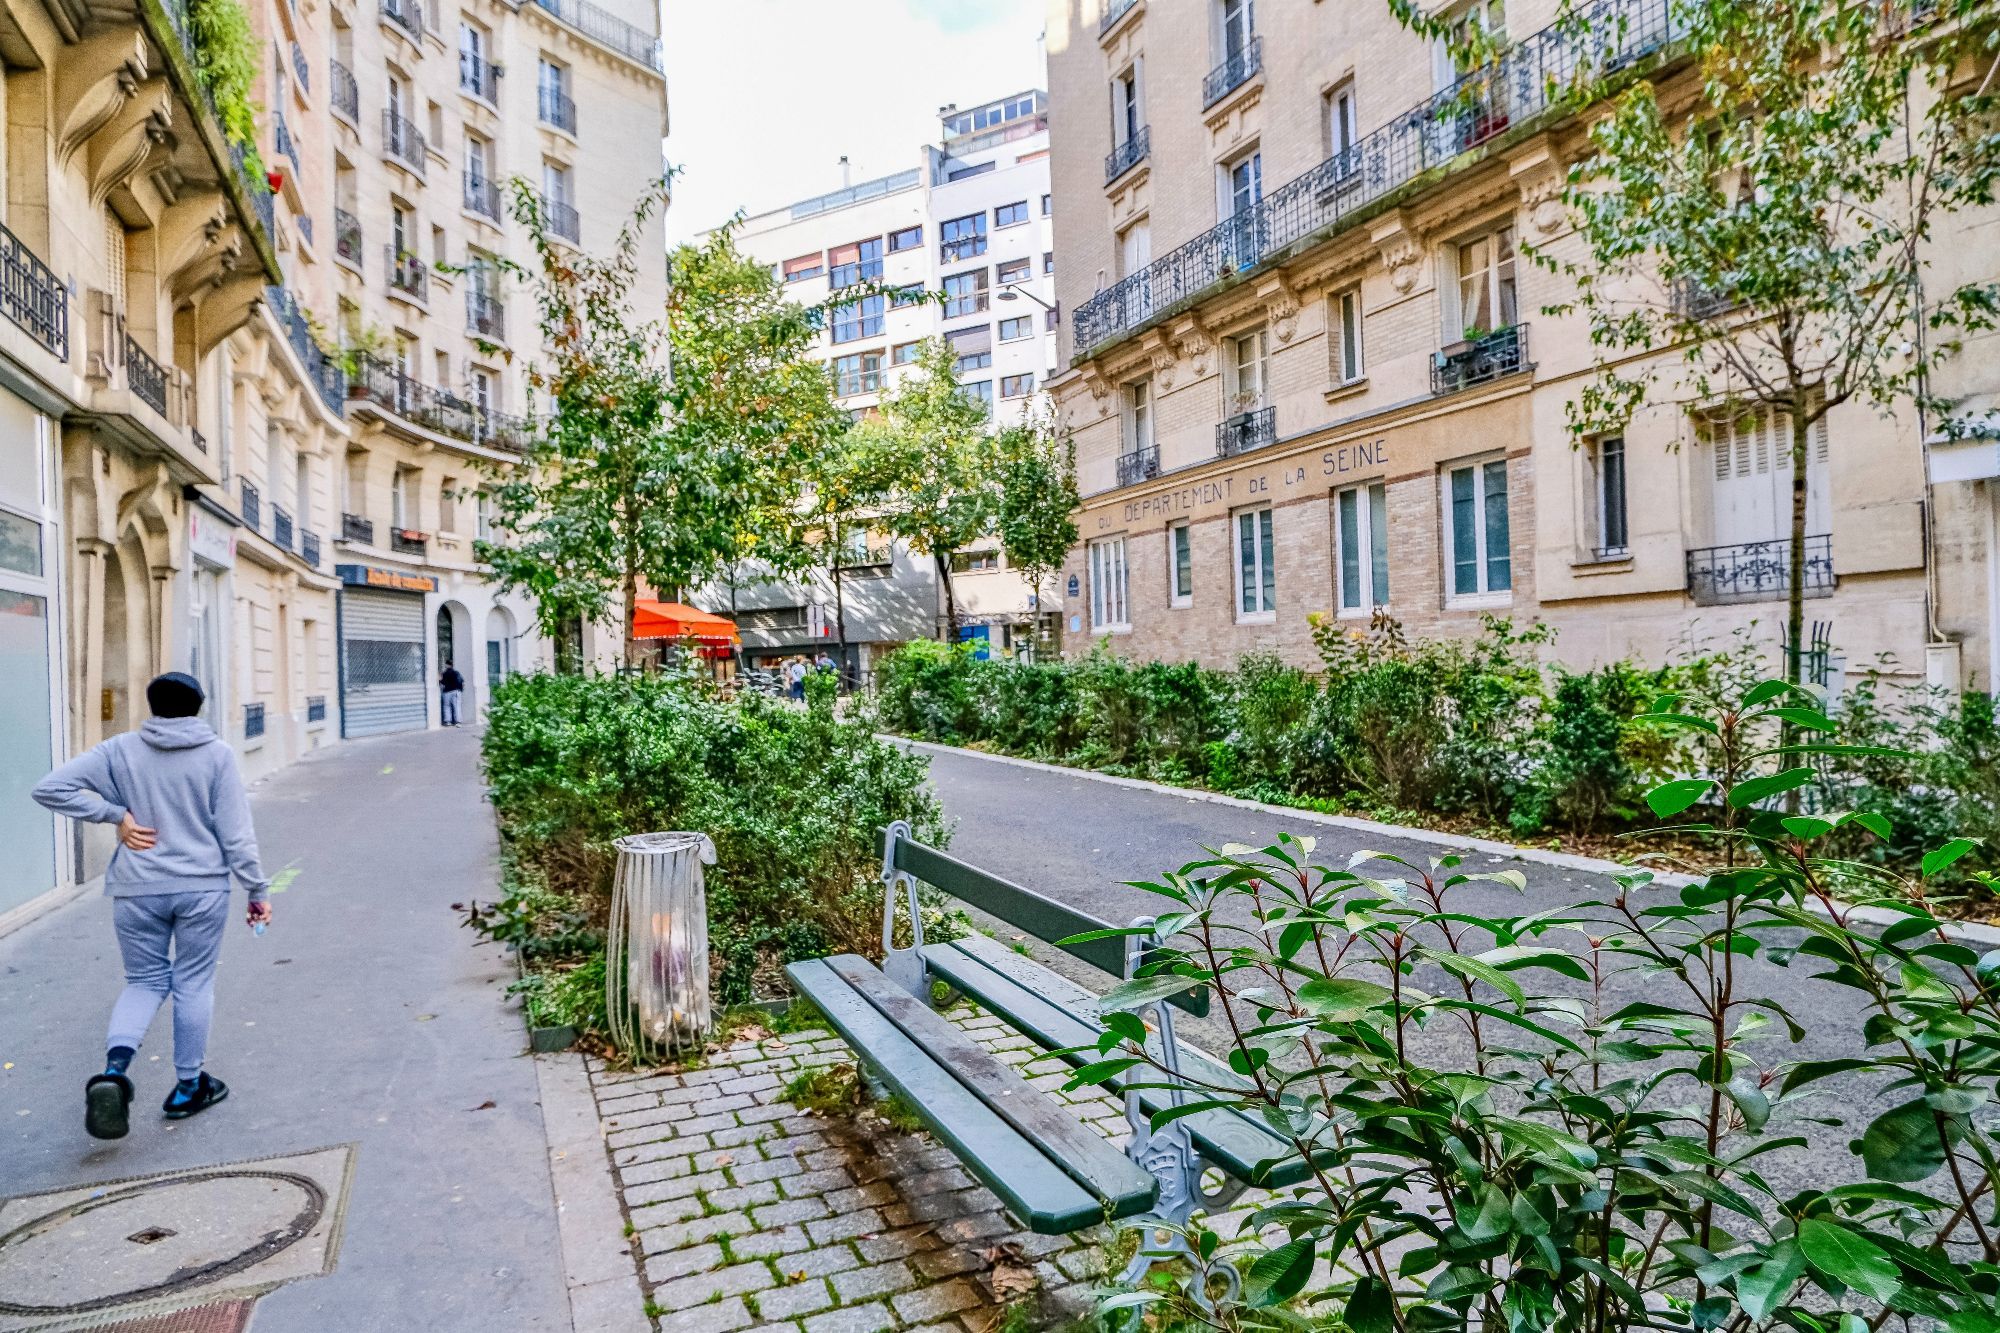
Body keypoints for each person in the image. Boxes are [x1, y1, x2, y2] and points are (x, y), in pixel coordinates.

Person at [31, 672, 270, 1140]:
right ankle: (187, 1087)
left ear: (152, 705)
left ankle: (115, 1072)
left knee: (144, 980)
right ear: (199, 706)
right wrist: (257, 890)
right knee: (193, 982)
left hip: (137, 888)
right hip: (202, 888)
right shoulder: (217, 755)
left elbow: (50, 788)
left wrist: (114, 815)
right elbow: (236, 834)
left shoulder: (120, 750)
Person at [439, 661, 465, 726]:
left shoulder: (444, 674)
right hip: (456, 691)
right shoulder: (456, 673)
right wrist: (460, 690)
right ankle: (458, 721)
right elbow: (462, 682)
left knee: (446, 706)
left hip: (447, 692)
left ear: (447, 665)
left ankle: (448, 721)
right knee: (456, 706)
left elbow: (442, 682)